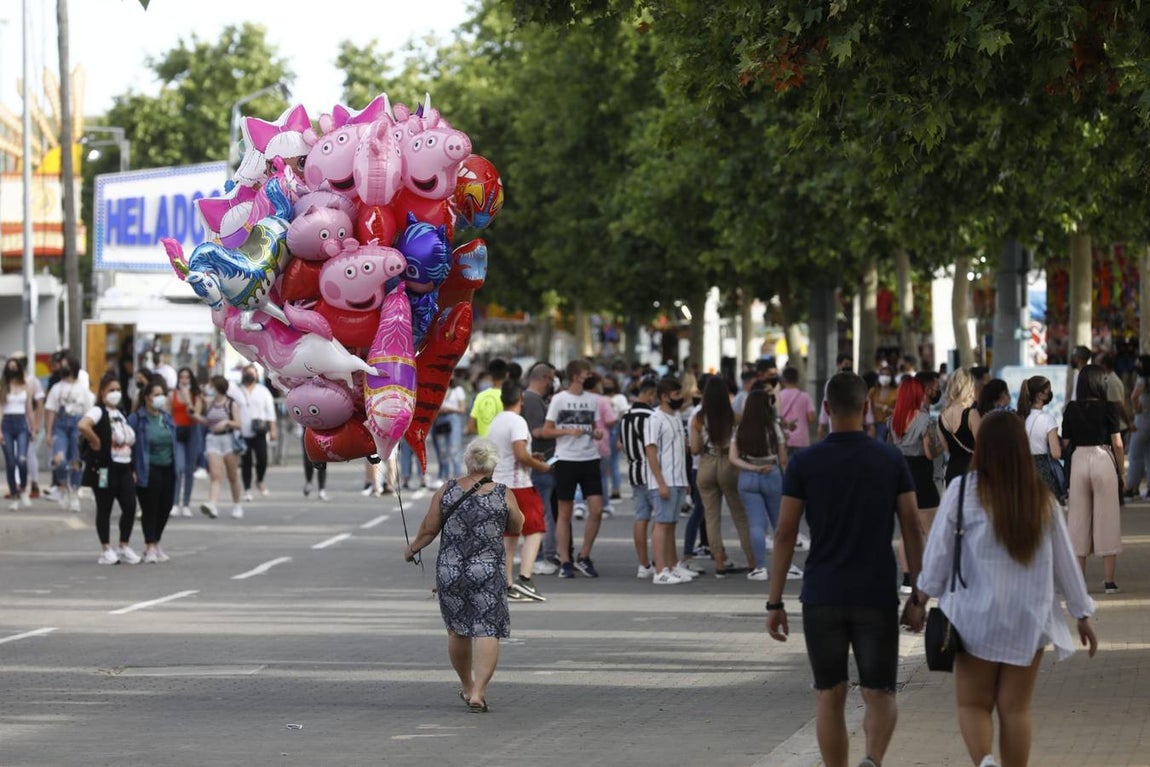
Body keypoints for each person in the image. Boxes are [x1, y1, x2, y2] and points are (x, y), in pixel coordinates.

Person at [918, 411, 1097, 767]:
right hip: (1028, 619)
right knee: (1015, 710)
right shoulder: (1041, 499)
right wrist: (1082, 614)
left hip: (972, 619)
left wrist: (920, 599)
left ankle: (985, 761)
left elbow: (938, 554)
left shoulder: (961, 492)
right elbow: (1065, 562)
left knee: (972, 704)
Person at [767, 372, 926, 767]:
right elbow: (912, 526)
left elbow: (786, 533)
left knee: (828, 693)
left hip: (822, 594)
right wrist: (919, 594)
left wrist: (774, 602)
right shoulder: (889, 459)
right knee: (880, 692)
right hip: (875, 593)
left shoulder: (805, 461)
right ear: (867, 406)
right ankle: (872, 761)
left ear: (825, 409)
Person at [403, 438, 524, 713]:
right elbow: (517, 525)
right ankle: (478, 693)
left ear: (468, 461)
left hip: (451, 570)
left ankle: (467, 685)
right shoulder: (503, 493)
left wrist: (411, 549)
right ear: (493, 464)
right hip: (488, 570)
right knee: (487, 630)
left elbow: (429, 529)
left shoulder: (447, 490)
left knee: (457, 630)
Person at [1061, 364, 1124, 593]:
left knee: (1078, 520)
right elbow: (1117, 442)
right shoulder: (1109, 408)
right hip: (1103, 457)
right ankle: (1109, 582)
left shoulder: (1070, 409)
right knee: (1107, 518)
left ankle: (1079, 582)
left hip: (1079, 460)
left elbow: (1066, 443)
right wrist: (1121, 473)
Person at [540, 359, 606, 579]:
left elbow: (595, 428)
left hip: (590, 458)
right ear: (577, 376)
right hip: (566, 459)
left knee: (596, 508)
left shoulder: (592, 400)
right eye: (587, 373)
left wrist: (596, 434)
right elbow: (547, 431)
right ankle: (565, 561)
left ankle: (584, 556)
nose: (590, 376)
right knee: (564, 511)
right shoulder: (559, 399)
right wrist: (568, 432)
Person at [487, 381, 551, 602]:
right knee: (535, 529)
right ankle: (525, 578)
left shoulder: (496, 421)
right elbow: (520, 455)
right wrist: (541, 466)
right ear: (521, 398)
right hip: (519, 485)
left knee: (509, 536)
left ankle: (507, 583)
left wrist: (533, 457)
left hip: (498, 483)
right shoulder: (518, 422)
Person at [729, 389, 802, 582]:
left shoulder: (740, 429)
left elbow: (732, 458)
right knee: (780, 523)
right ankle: (788, 566)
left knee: (756, 524)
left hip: (747, 478)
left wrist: (751, 467)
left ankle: (759, 567)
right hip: (772, 474)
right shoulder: (773, 427)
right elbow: (783, 458)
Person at [690, 374, 754, 576]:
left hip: (707, 464)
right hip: (730, 464)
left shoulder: (698, 419)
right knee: (740, 516)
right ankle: (753, 561)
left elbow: (694, 449)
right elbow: (744, 444)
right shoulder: (735, 417)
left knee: (711, 517)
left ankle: (719, 563)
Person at [78, 373, 141, 565]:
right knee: (104, 507)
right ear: (103, 392)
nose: (115, 394)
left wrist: (132, 468)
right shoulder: (98, 412)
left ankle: (124, 545)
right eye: (111, 390)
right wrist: (95, 441)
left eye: (118, 390)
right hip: (105, 468)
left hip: (124, 467)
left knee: (130, 506)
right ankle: (106, 548)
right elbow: (83, 425)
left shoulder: (121, 414)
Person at [644, 376, 698, 585]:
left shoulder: (675, 417)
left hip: (678, 478)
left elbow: (680, 450)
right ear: (664, 397)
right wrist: (661, 482)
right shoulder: (654, 419)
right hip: (663, 479)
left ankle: (672, 565)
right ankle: (660, 570)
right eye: (676, 395)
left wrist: (685, 480)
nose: (680, 398)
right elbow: (651, 451)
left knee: (671, 523)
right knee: (662, 523)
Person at [890, 376, 942, 592]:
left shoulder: (895, 419)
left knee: (906, 531)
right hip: (922, 474)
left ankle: (907, 579)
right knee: (931, 529)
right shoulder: (925, 420)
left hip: (901, 475)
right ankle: (933, 575)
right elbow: (930, 452)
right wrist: (941, 448)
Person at [128, 378, 178, 563]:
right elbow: (128, 443)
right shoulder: (137, 418)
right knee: (150, 507)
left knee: (166, 506)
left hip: (169, 467)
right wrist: (131, 468)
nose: (160, 398)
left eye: (162, 395)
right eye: (156, 395)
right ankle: (149, 545)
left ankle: (156, 541)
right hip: (147, 467)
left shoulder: (166, 418)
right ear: (147, 397)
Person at [43, 353, 93, 512]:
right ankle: (63, 486)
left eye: (65, 364)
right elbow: (50, 410)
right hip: (60, 425)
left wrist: (88, 434)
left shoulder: (83, 389)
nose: (63, 368)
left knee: (76, 461)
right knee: (59, 459)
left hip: (77, 425)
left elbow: (89, 412)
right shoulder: (56, 388)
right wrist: (49, 433)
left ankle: (74, 493)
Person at [521, 362, 558, 573]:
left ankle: (540, 553)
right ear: (543, 378)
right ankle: (542, 555)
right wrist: (565, 431)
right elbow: (537, 431)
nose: (552, 383)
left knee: (540, 510)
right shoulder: (534, 401)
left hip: (540, 462)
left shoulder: (533, 399)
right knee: (542, 513)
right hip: (540, 462)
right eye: (551, 379)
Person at [621, 377, 658, 577]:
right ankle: (660, 561)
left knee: (641, 518)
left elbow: (621, 444)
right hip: (652, 472)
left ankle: (643, 565)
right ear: (651, 394)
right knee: (660, 520)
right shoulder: (652, 416)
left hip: (634, 470)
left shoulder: (626, 416)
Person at [201, 375, 245, 520]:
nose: (209, 388)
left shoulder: (231, 404)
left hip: (228, 440)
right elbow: (207, 421)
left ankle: (237, 504)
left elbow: (238, 424)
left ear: (217, 387)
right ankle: (212, 504)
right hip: (213, 440)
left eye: (211, 385)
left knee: (232, 475)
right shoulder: (209, 403)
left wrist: (226, 422)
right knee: (215, 475)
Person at [232, 365, 278, 500]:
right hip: (242, 432)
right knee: (246, 462)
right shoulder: (236, 392)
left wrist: (273, 429)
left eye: (253, 373)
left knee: (262, 459)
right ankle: (247, 489)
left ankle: (259, 480)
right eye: (247, 373)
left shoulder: (263, 391)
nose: (250, 375)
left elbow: (270, 412)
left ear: (257, 375)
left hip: (260, 431)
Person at [1018, 376, 1065, 503]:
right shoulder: (1048, 419)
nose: (1050, 394)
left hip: (1023, 470)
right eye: (1048, 391)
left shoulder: (1019, 418)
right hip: (1043, 471)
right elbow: (1056, 454)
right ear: (1040, 395)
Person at [1, 356, 35, 509]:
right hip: (7, 423)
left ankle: (23, 490)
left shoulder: (26, 386)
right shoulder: (3, 386)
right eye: (10, 367)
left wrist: (32, 427)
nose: (12, 370)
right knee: (10, 461)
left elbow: (29, 409)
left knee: (22, 459)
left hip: (21, 423)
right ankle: (14, 493)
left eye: (15, 367)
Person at [170, 367, 203, 518]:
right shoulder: (173, 394)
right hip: (177, 431)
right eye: (181, 377)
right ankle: (175, 503)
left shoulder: (196, 395)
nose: (184, 380)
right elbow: (167, 413)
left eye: (186, 377)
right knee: (178, 468)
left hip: (192, 431)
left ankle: (186, 503)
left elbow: (195, 415)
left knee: (189, 469)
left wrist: (188, 399)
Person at [938, 367, 980, 485]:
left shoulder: (941, 417)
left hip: (952, 472)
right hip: (972, 471)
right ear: (969, 387)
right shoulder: (971, 414)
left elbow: (946, 449)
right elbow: (983, 446)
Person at [1125, 354, 1150, 498]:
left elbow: (1134, 396)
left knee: (1135, 453)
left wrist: (1137, 409)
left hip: (1143, 418)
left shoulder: (1142, 379)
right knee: (1148, 453)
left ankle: (1131, 486)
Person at [776, 366, 816, 453]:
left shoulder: (778, 396)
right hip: (802, 439)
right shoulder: (805, 396)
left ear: (783, 379)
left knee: (786, 465)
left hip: (783, 439)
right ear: (797, 379)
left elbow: (775, 417)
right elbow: (811, 418)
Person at [468, 358, 509, 437]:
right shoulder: (509, 396)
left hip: (484, 446)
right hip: (502, 445)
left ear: (490, 375)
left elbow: (470, 427)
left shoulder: (480, 396)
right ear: (507, 375)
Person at [868, 364, 898, 443]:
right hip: (875, 425)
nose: (884, 377)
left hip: (891, 426)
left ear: (891, 377)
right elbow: (868, 408)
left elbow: (899, 412)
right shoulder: (873, 391)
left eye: (887, 374)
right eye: (882, 374)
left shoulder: (896, 392)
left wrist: (885, 408)